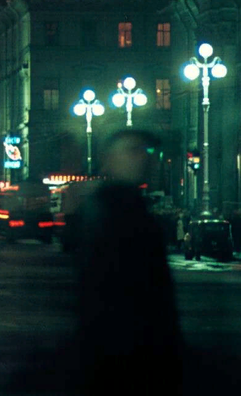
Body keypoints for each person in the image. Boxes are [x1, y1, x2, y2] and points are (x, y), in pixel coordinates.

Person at [68, 129, 184, 395]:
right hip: (124, 346)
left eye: (146, 151)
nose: (143, 158)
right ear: (108, 159)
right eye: (132, 151)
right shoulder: (112, 210)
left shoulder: (127, 207)